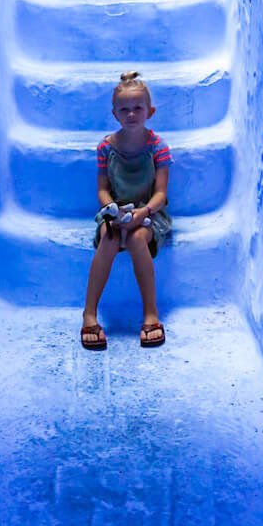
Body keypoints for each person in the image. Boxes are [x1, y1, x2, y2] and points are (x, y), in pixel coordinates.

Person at [80, 71, 172, 351]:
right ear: (114, 114)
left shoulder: (158, 148)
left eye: (137, 108)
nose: (131, 114)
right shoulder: (105, 147)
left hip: (148, 214)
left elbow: (161, 194)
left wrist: (143, 213)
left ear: (150, 111)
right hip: (116, 213)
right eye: (124, 109)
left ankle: (151, 313)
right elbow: (102, 190)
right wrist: (111, 211)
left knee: (136, 239)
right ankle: (89, 314)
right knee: (108, 239)